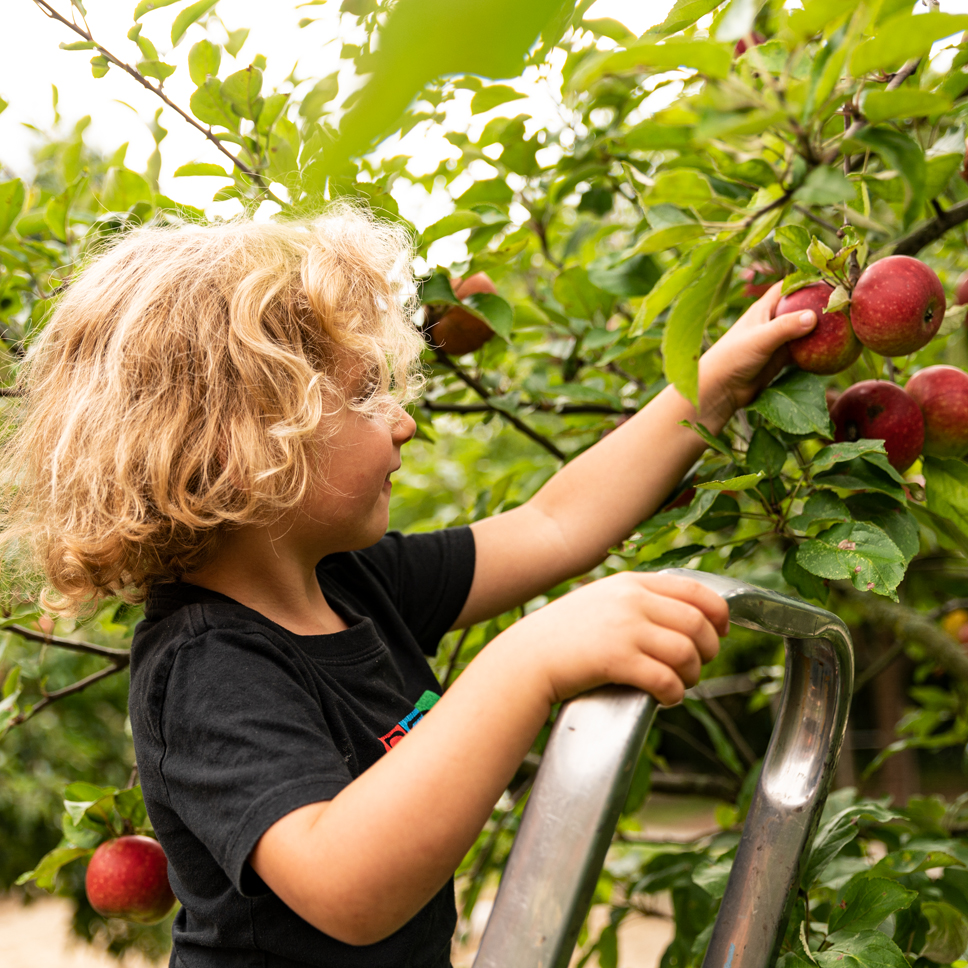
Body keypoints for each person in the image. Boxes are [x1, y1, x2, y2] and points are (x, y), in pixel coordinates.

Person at [1, 207, 817, 967]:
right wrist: (522, 663)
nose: (403, 421)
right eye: (363, 394)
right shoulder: (207, 668)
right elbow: (347, 887)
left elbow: (556, 525)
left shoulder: (354, 586)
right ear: (241, 444)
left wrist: (710, 386)